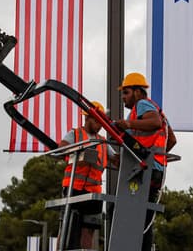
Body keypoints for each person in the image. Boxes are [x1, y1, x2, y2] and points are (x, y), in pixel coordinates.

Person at [114, 72, 177, 251]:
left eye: (126, 93)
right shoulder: (158, 110)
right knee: (144, 217)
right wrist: (153, 155)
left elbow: (155, 123)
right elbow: (171, 141)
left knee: (124, 213)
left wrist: (128, 125)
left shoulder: (142, 105)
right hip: (154, 170)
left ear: (138, 92)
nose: (124, 98)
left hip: (144, 171)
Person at [58, 101, 111, 250]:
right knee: (67, 226)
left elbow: (116, 159)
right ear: (87, 118)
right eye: (97, 121)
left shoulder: (103, 141)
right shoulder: (74, 134)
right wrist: (81, 151)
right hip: (73, 188)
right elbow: (61, 148)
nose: (100, 125)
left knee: (89, 229)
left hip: (94, 191)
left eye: (102, 122)